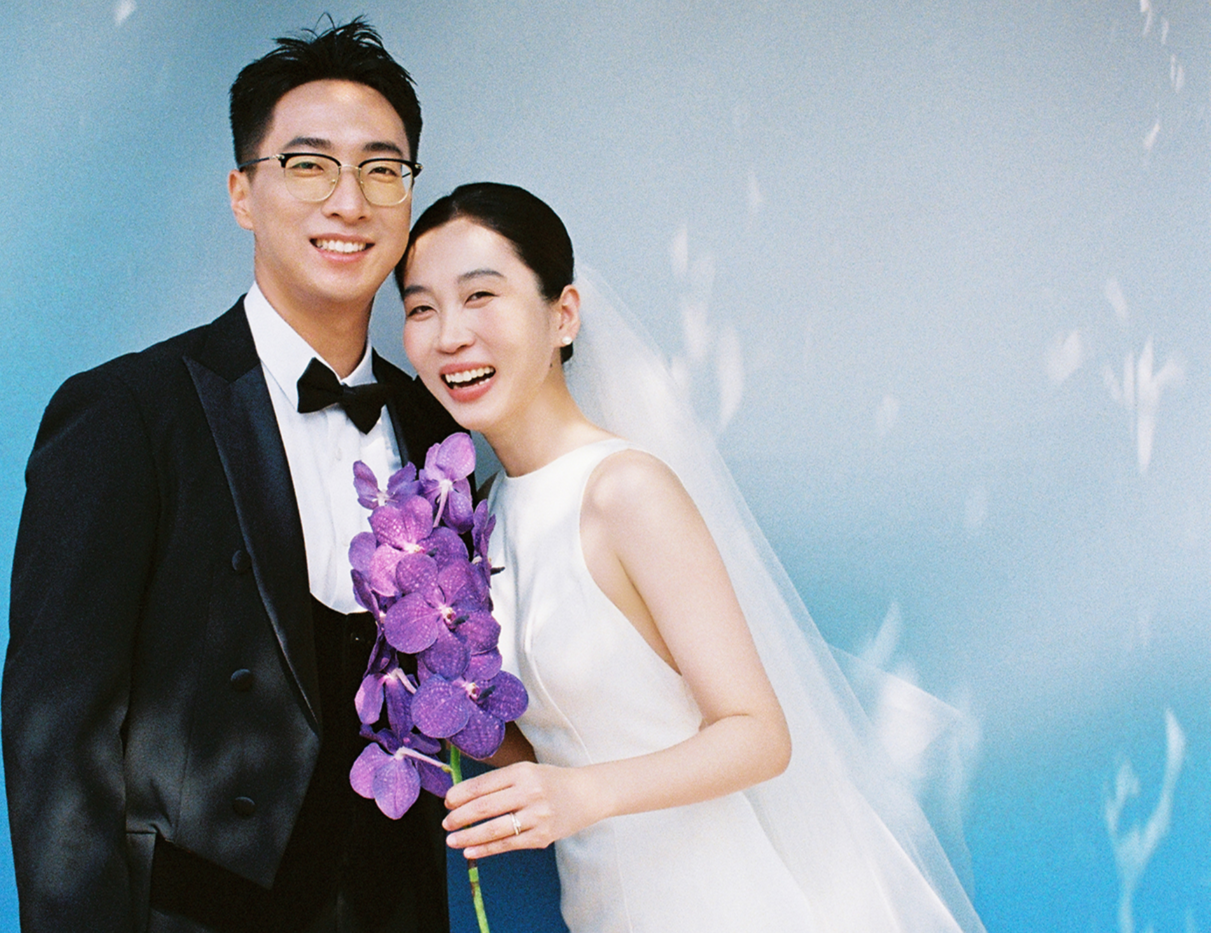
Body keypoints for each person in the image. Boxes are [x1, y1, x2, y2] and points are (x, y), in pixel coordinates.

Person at [397, 183, 986, 932]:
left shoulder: (624, 490)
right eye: (421, 308)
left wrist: (582, 793)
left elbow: (757, 734)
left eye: (481, 295)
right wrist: (427, 689)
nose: (450, 335)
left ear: (563, 314)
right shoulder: (482, 516)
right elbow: (548, 752)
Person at [2, 20, 457, 933]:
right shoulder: (129, 412)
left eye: (382, 169)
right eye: (308, 165)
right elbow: (58, 738)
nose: (349, 201)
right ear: (243, 193)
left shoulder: (434, 426)